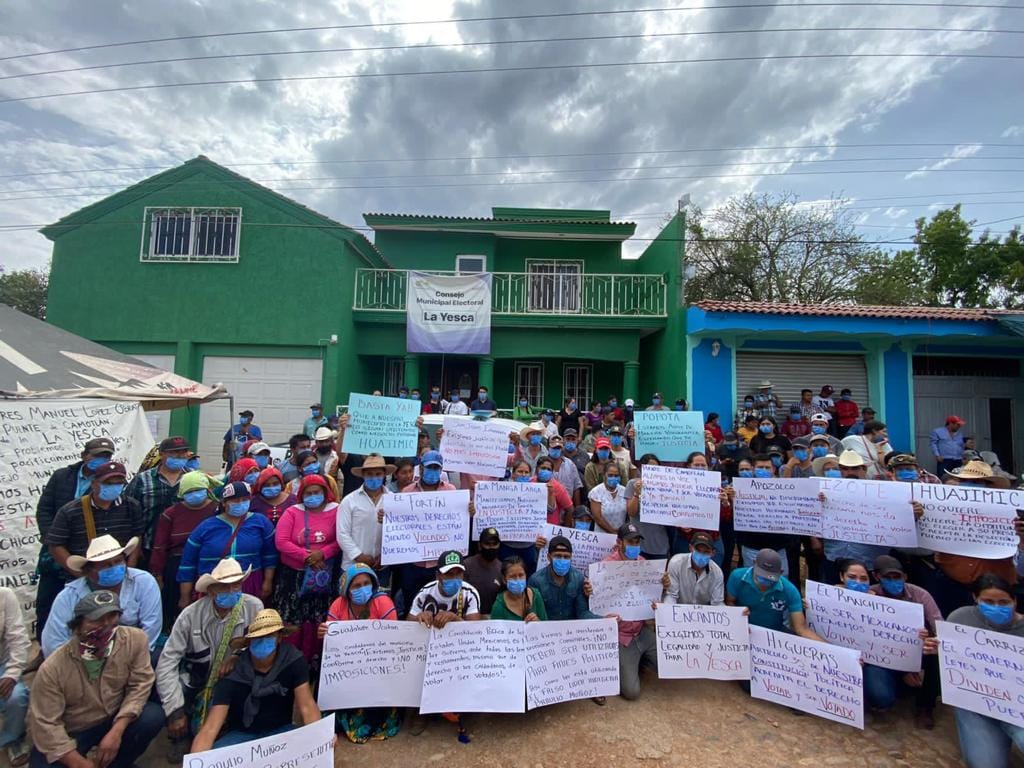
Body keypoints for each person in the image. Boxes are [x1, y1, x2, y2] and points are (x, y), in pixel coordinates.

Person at [28, 591, 164, 768]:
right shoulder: (53, 668)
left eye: (112, 616)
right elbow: (47, 724)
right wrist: (81, 764)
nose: (106, 625)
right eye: (97, 620)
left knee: (152, 717)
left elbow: (140, 685)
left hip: (115, 715)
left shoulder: (135, 639)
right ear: (78, 625)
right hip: (75, 729)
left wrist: (117, 730)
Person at [157, 559, 262, 756]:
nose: (231, 590)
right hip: (197, 678)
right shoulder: (190, 615)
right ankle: (181, 735)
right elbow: (167, 662)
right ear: (211, 590)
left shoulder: (254, 607)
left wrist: (237, 657)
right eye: (224, 586)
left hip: (233, 677)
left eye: (236, 585)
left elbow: (259, 645)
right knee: (175, 692)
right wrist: (175, 710)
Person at [924, 574, 1024, 768]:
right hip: (976, 704)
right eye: (988, 602)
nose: (996, 607)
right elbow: (955, 660)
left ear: (1015, 601)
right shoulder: (960, 619)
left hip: (1018, 706)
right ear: (975, 598)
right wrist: (939, 650)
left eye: (1004, 602)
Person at [190, 609, 320, 750]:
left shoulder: (293, 661)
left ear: (279, 638)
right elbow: (211, 728)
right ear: (249, 642)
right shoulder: (232, 672)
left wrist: (321, 738)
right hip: (241, 736)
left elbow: (307, 706)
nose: (263, 641)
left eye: (269, 636)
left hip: (282, 731)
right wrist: (196, 758)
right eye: (258, 637)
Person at [34, 437, 116, 645]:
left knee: (83, 604)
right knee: (46, 601)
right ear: (84, 455)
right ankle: (45, 648)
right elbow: (44, 509)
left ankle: (80, 647)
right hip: (55, 551)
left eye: (106, 456)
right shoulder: (62, 476)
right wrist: (53, 538)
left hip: (86, 553)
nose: (102, 460)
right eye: (97, 455)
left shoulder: (106, 481)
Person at [318, 564, 400, 742]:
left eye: (366, 583)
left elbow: (393, 638)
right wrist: (324, 633)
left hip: (378, 665)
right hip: (347, 667)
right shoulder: (338, 605)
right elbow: (331, 643)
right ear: (347, 589)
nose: (363, 588)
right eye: (356, 585)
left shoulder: (383, 602)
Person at [42, 535, 161, 658]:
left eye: (118, 561)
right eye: (105, 565)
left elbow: (151, 628)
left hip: (134, 654)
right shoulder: (68, 597)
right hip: (82, 658)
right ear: (88, 571)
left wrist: (131, 660)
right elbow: (54, 642)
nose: (114, 567)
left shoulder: (144, 582)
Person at [864, 555, 941, 729]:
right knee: (880, 696)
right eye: (887, 577)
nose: (893, 581)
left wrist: (929, 636)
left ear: (905, 577)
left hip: (915, 652)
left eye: (897, 577)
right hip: (880, 656)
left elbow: (939, 627)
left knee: (936, 655)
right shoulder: (869, 594)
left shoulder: (921, 595)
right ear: (877, 576)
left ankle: (926, 707)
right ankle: (898, 685)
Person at [274, 475, 340, 663]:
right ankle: (290, 661)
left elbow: (340, 539)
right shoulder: (292, 512)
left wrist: (323, 553)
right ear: (301, 495)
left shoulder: (336, 510)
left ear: (325, 492)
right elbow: (281, 541)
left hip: (323, 577)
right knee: (293, 619)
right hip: (293, 578)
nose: (312, 496)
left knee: (317, 620)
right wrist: (307, 557)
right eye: (308, 493)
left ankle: (314, 663)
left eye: (316, 492)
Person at [178, 481, 277, 605]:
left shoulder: (261, 522)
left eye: (245, 499)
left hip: (249, 583)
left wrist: (268, 581)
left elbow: (270, 555)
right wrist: (185, 596)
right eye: (235, 500)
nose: (240, 503)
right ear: (224, 503)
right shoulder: (206, 527)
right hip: (214, 585)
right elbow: (188, 563)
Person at [46, 461, 145, 582]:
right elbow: (55, 545)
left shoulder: (132, 506)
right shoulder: (70, 511)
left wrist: (128, 571)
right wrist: (81, 575)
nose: (114, 487)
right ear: (93, 483)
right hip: (84, 576)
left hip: (121, 574)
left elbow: (137, 537)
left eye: (119, 483)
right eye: (108, 483)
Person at [604, 523, 670, 701]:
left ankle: (640, 660)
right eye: (630, 542)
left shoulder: (643, 564)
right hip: (621, 636)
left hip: (641, 631)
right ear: (619, 542)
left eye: (637, 542)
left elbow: (652, 598)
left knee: (669, 664)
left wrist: (663, 587)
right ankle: (621, 663)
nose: (634, 545)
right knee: (631, 692)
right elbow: (599, 605)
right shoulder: (606, 567)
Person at [149, 471, 218, 628]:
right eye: (189, 491)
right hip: (177, 567)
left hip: (209, 566)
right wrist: (157, 574)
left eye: (198, 490)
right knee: (180, 608)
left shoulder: (217, 509)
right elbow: (160, 546)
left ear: (207, 490)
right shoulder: (170, 514)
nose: (194, 494)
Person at [398, 452, 461, 615]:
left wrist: (468, 510)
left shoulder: (451, 491)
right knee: (412, 605)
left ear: (441, 470)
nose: (433, 471)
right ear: (421, 468)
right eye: (429, 467)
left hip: (439, 562)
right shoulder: (407, 492)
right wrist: (387, 517)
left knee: (439, 605)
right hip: (413, 562)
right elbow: (399, 523)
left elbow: (458, 520)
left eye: (436, 468)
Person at [726, 549, 823, 640]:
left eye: (770, 578)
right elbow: (729, 602)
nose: (764, 583)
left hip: (774, 633)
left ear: (780, 573)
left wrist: (829, 649)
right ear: (754, 564)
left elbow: (801, 629)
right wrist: (738, 618)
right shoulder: (737, 577)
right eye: (761, 576)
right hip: (744, 628)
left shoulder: (789, 590)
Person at [125, 435, 190, 551]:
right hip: (148, 545)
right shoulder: (143, 479)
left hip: (182, 547)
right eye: (174, 453)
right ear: (161, 454)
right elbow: (128, 511)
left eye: (183, 452)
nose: (179, 456)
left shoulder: (194, 478)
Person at [336, 453, 394, 579]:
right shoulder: (349, 501)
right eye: (369, 474)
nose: (374, 477)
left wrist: (385, 556)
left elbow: (399, 532)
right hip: (353, 566)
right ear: (363, 475)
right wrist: (359, 556)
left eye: (378, 474)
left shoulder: (393, 500)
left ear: (384, 474)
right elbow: (342, 534)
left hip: (381, 565)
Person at [529, 536, 601, 621]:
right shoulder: (536, 581)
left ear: (571, 557)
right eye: (558, 556)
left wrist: (604, 619)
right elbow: (534, 613)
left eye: (566, 557)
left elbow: (582, 613)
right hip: (546, 627)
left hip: (572, 627)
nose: (562, 560)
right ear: (549, 557)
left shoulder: (578, 578)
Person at [0, 586, 29, 765]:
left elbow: (18, 639)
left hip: (2, 664)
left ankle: (13, 739)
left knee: (16, 697)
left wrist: (12, 674)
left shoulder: (4, 596)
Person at [624, 454, 671, 560]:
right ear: (642, 468)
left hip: (659, 544)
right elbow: (631, 512)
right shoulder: (632, 484)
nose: (654, 471)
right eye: (650, 468)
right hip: (638, 543)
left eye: (657, 468)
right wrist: (636, 494)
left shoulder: (666, 486)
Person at [663, 532, 724, 606]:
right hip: (678, 608)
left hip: (703, 611)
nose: (701, 554)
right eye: (698, 550)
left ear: (713, 553)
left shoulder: (717, 573)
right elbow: (671, 595)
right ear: (690, 548)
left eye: (706, 552)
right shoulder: (676, 563)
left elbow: (717, 603)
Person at [490, 556, 547, 621]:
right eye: (512, 576)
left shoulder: (536, 595)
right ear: (504, 579)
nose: (518, 579)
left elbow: (545, 624)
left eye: (521, 575)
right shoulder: (499, 606)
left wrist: (537, 622)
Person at [463, 528, 503, 615]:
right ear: (479, 545)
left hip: (492, 617)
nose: (491, 547)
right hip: (469, 616)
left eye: (494, 544)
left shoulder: (502, 568)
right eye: (487, 544)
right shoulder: (467, 566)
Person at [588, 461, 628, 534]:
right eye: (610, 475)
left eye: (616, 476)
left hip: (621, 535)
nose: (613, 478)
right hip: (602, 534)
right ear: (604, 475)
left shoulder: (624, 491)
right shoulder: (596, 492)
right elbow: (598, 518)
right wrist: (613, 532)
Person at [534, 456, 574, 527]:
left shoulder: (557, 487)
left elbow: (570, 508)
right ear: (537, 469)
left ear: (552, 472)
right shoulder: (529, 483)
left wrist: (565, 529)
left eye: (549, 469)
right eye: (543, 468)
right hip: (531, 526)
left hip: (551, 528)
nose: (546, 471)